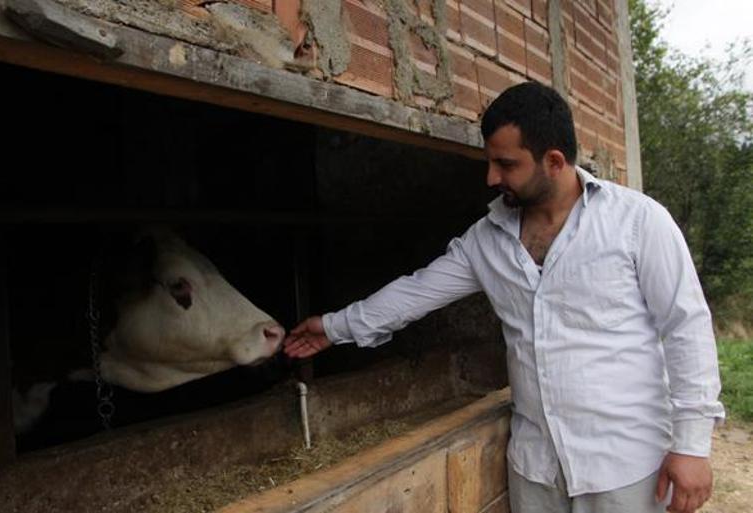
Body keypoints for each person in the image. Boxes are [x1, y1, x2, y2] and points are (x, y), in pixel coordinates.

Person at [283, 82, 724, 513]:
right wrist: (335, 326)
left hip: (626, 466)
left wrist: (690, 446)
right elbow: (417, 291)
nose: (492, 177)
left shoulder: (637, 222)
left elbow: (685, 327)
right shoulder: (487, 240)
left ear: (553, 161)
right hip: (536, 469)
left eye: (506, 164)